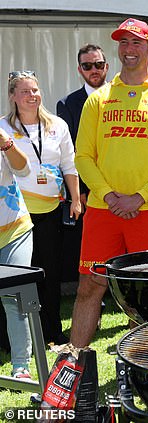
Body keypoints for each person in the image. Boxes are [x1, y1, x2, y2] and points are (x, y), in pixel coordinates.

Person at [70, 18, 148, 348]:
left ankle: (141, 363)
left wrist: (139, 197)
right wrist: (108, 196)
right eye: (123, 42)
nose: (128, 49)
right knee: (90, 285)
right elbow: (83, 157)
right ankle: (74, 360)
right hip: (102, 211)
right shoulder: (99, 99)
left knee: (144, 290)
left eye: (136, 42)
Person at [1, 71, 81, 345]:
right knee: (19, 276)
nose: (32, 96)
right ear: (12, 96)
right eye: (25, 91)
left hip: (50, 210)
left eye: (35, 90)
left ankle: (51, 331)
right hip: (16, 214)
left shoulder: (57, 125)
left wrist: (76, 198)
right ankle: (13, 338)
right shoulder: (3, 128)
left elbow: (69, 164)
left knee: (50, 272)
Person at [57, 44, 109, 284]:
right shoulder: (67, 104)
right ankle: (96, 300)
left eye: (98, 65)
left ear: (106, 66)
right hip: (90, 192)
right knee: (94, 250)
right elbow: (69, 153)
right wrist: (83, 192)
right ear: (80, 70)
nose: (94, 70)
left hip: (125, 188)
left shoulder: (122, 98)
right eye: (88, 66)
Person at [0, 125, 34, 379]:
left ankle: (21, 367)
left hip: (14, 228)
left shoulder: (2, 132)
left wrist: (6, 143)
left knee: (14, 296)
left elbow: (24, 170)